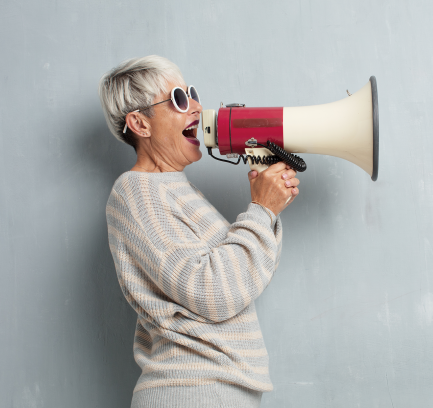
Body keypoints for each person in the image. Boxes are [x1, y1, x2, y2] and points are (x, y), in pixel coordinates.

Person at [98, 55, 299, 408]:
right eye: (178, 98)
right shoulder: (136, 192)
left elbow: (246, 279)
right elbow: (212, 293)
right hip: (193, 390)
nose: (196, 106)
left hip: (215, 390)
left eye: (192, 93)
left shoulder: (179, 191)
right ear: (140, 124)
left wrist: (267, 209)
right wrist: (261, 209)